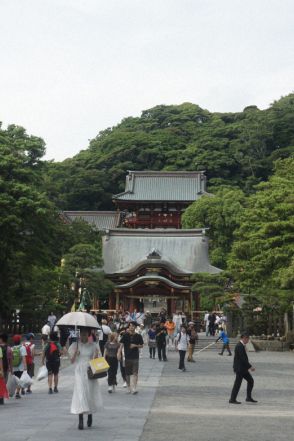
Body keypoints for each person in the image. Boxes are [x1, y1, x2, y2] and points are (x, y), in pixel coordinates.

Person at [69, 327, 103, 430]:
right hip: (79, 370)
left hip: (89, 370)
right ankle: (80, 419)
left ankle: (90, 414)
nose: (83, 336)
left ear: (88, 335)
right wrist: (76, 353)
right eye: (81, 334)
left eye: (85, 334)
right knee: (80, 392)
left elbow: (97, 360)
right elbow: (72, 361)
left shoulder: (93, 346)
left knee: (89, 392)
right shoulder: (75, 345)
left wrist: (96, 355)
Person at [229, 332, 257, 404]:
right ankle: (232, 399)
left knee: (250, 381)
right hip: (240, 369)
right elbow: (243, 359)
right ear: (244, 338)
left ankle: (248, 397)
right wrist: (250, 367)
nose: (248, 341)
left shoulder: (241, 345)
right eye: (247, 339)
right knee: (237, 384)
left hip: (243, 369)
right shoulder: (239, 346)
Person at [118, 322, 143, 394]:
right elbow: (121, 345)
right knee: (127, 373)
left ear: (135, 327)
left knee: (135, 373)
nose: (131, 327)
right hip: (127, 356)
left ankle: (134, 388)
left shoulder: (138, 336)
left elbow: (141, 345)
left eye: (132, 326)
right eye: (130, 326)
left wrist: (135, 345)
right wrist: (119, 353)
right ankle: (129, 387)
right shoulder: (125, 335)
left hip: (135, 357)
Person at [12, 334, 27, 398]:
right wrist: (25, 367)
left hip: (13, 367)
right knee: (20, 379)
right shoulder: (22, 347)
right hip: (20, 367)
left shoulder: (12, 348)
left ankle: (18, 391)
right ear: (19, 340)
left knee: (16, 380)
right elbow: (24, 358)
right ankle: (17, 393)